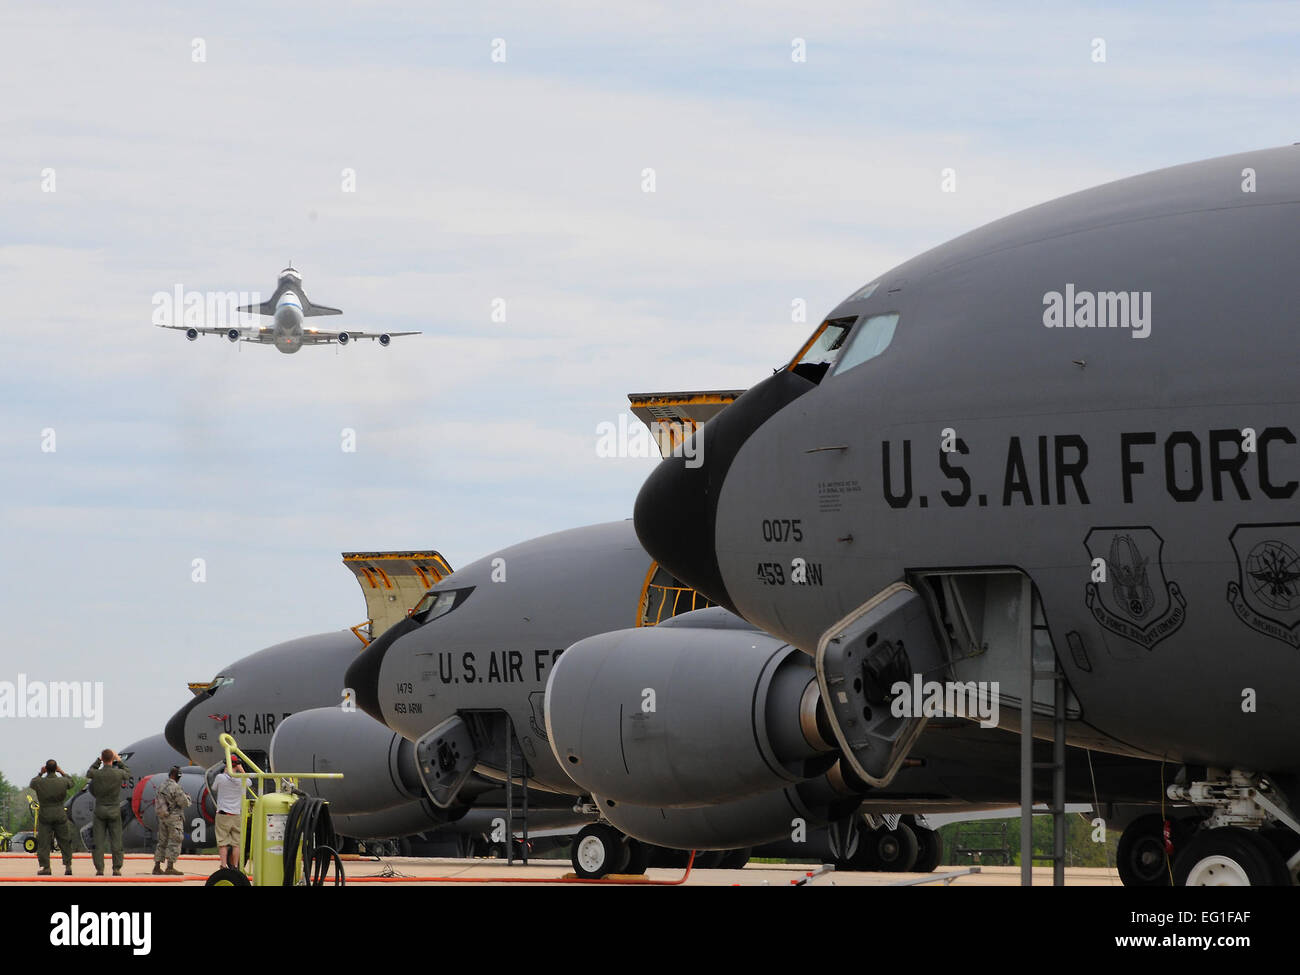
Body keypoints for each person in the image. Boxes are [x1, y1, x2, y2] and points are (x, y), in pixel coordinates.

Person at [85, 748, 130, 876]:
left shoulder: (97, 774)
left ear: (102, 759)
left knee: (98, 842)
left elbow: (89, 772)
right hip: (114, 810)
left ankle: (99, 869)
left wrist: (97, 761)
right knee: (116, 841)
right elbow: (128, 772)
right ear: (112, 759)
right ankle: (116, 868)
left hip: (99, 810)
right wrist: (119, 760)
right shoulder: (118, 773)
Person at [28, 759, 75, 876]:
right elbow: (71, 782)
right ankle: (68, 865)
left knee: (44, 842)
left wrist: (40, 773)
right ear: (56, 768)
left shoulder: (39, 782)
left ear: (46, 769)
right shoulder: (63, 781)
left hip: (45, 815)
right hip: (60, 813)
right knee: (64, 841)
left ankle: (46, 867)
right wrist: (62, 772)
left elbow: (32, 783)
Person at [152, 766, 190, 876]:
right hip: (174, 818)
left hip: (162, 817)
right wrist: (188, 798)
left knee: (162, 841)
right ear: (177, 776)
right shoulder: (175, 787)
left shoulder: (161, 785)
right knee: (175, 840)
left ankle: (157, 866)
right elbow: (184, 803)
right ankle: (170, 867)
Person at [213, 756, 249, 870]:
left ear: (226, 764)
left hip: (223, 814)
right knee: (236, 843)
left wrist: (225, 773)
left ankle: (223, 865)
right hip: (236, 814)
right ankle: (235, 866)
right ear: (237, 765)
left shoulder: (220, 777)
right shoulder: (242, 780)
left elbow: (214, 788)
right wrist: (241, 770)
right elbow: (249, 782)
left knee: (223, 842)